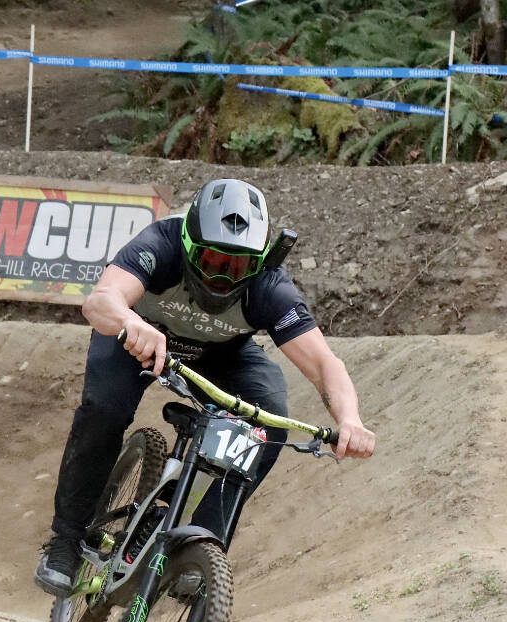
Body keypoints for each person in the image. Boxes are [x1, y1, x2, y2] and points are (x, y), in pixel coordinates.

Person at [35, 178, 375, 596]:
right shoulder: (161, 243)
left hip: (220, 354)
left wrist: (350, 419)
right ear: (189, 243)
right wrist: (131, 322)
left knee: (269, 424)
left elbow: (324, 363)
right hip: (136, 338)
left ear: (260, 262)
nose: (222, 277)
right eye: (212, 260)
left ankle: (198, 545)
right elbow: (100, 301)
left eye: (238, 267)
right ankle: (66, 542)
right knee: (104, 410)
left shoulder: (270, 286)